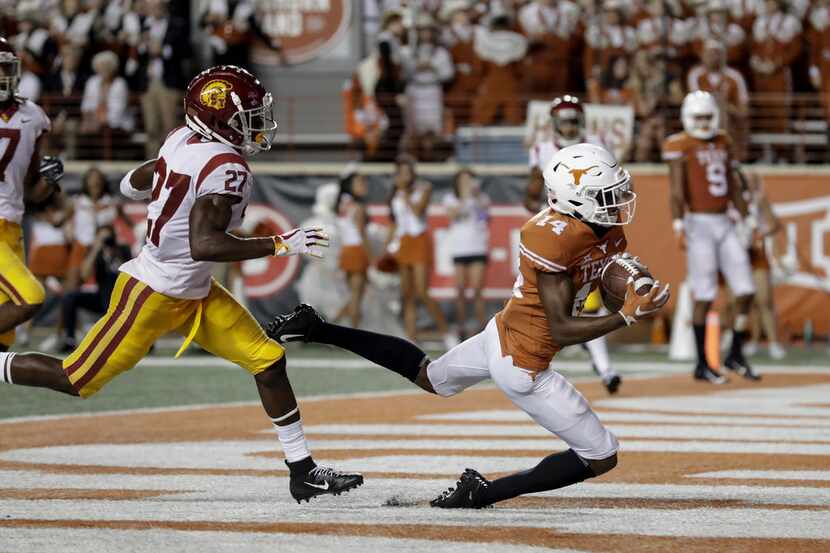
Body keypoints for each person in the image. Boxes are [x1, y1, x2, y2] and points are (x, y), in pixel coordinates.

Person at [0, 65, 363, 503]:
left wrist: (135, 186)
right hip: (153, 292)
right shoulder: (227, 166)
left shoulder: (180, 137)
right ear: (215, 119)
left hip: (195, 291)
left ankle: (302, 471)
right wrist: (281, 244)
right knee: (75, 377)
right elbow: (205, 243)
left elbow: (139, 179)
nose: (253, 125)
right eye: (244, 116)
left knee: (268, 361)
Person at [268, 143, 670, 509]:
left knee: (431, 377)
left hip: (502, 332)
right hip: (523, 364)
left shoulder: (604, 229)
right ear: (574, 199)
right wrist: (625, 315)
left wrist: (632, 282)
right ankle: (483, 492)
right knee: (601, 457)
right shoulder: (552, 238)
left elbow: (601, 273)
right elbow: (562, 329)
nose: (617, 202)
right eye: (606, 196)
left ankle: (318, 328)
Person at [524, 95, 621, 394]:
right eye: (563, 120)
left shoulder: (596, 144)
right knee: (551, 304)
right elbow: (530, 196)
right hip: (558, 236)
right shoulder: (542, 150)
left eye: (573, 120)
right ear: (554, 123)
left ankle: (605, 368)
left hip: (590, 232)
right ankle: (531, 363)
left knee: (591, 299)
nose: (569, 126)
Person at [663, 91, 759, 384]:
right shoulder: (679, 144)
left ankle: (735, 354)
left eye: (707, 117)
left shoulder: (723, 140)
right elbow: (677, 189)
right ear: (687, 118)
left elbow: (732, 183)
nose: (704, 123)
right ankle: (703, 362)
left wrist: (748, 217)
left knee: (745, 290)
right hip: (698, 223)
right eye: (699, 117)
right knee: (704, 294)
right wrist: (678, 224)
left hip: (725, 221)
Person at [0, 37, 51, 352]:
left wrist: (49, 181)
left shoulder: (33, 116)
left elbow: (33, 193)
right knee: (30, 296)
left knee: (2, 340)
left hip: (13, 227)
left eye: (5, 68)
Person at [387, 155, 453, 347]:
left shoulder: (423, 188)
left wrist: (405, 194)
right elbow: (395, 222)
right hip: (403, 242)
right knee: (407, 294)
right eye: (401, 172)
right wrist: (387, 247)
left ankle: (446, 332)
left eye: (407, 171)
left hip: (419, 240)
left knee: (422, 291)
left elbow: (418, 211)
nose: (404, 175)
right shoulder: (394, 194)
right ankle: (411, 336)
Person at [60, 225, 131, 352]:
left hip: (122, 298)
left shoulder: (123, 249)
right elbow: (84, 274)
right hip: (102, 297)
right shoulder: (96, 253)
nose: (106, 240)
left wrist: (115, 252)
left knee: (111, 282)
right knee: (70, 297)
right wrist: (96, 248)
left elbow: (130, 273)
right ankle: (70, 339)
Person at [444, 168, 489, 340]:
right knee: (461, 290)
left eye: (469, 180)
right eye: (463, 180)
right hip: (459, 248)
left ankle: (482, 330)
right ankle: (461, 328)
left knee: (477, 290)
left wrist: (475, 198)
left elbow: (484, 216)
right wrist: (464, 198)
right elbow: (452, 215)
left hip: (477, 247)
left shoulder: (481, 198)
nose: (466, 184)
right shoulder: (450, 198)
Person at [334, 168, 371, 328]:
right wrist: (373, 259)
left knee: (354, 295)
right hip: (357, 251)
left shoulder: (343, 203)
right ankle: (354, 333)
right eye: (360, 182)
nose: (364, 185)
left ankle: (330, 325)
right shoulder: (357, 206)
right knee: (357, 296)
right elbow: (362, 235)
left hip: (346, 250)